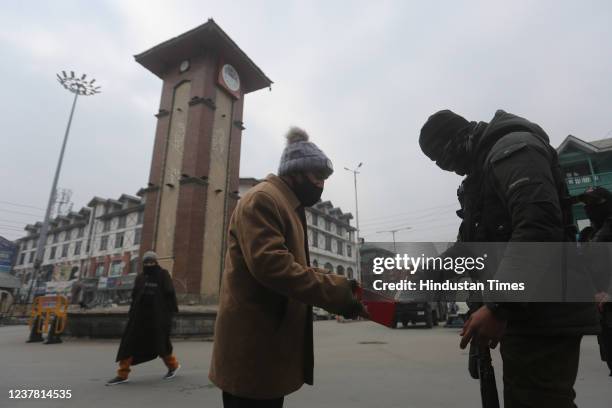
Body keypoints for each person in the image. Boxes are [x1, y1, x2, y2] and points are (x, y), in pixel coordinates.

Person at [419, 109, 599, 407]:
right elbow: (469, 250)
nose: (445, 167)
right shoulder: (482, 172)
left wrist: (498, 306)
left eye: (443, 156)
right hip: (526, 309)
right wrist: (421, 279)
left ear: (458, 137)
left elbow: (537, 228)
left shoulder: (514, 150)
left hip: (546, 311)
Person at [209, 127, 368, 407]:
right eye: (317, 177)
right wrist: (341, 295)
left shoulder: (286, 203)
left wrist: (348, 289)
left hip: (268, 346)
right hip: (253, 347)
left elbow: (299, 267)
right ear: (295, 173)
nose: (321, 184)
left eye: (324, 178)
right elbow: (274, 267)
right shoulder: (264, 200)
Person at [106, 251, 180, 385]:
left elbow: (170, 294)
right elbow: (135, 296)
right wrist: (132, 313)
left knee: (161, 344)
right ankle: (123, 374)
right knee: (128, 344)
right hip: (139, 316)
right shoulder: (140, 277)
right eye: (147, 262)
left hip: (157, 317)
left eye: (152, 262)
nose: (149, 264)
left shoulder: (163, 274)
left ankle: (173, 366)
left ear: (156, 262)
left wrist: (169, 315)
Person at [577, 186, 612, 376]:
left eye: (594, 203)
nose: (588, 208)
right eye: (586, 204)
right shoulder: (589, 235)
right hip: (603, 311)